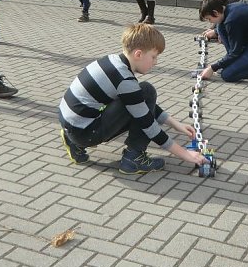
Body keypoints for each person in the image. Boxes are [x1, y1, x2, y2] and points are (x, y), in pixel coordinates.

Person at [58, 24, 208, 174]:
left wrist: (176, 125)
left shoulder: (113, 61)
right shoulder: (125, 80)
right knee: (147, 91)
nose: (155, 62)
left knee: (141, 95)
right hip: (85, 132)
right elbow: (149, 125)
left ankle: (74, 142)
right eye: (154, 57)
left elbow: (137, 104)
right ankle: (133, 158)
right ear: (138, 54)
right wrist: (186, 155)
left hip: (72, 125)